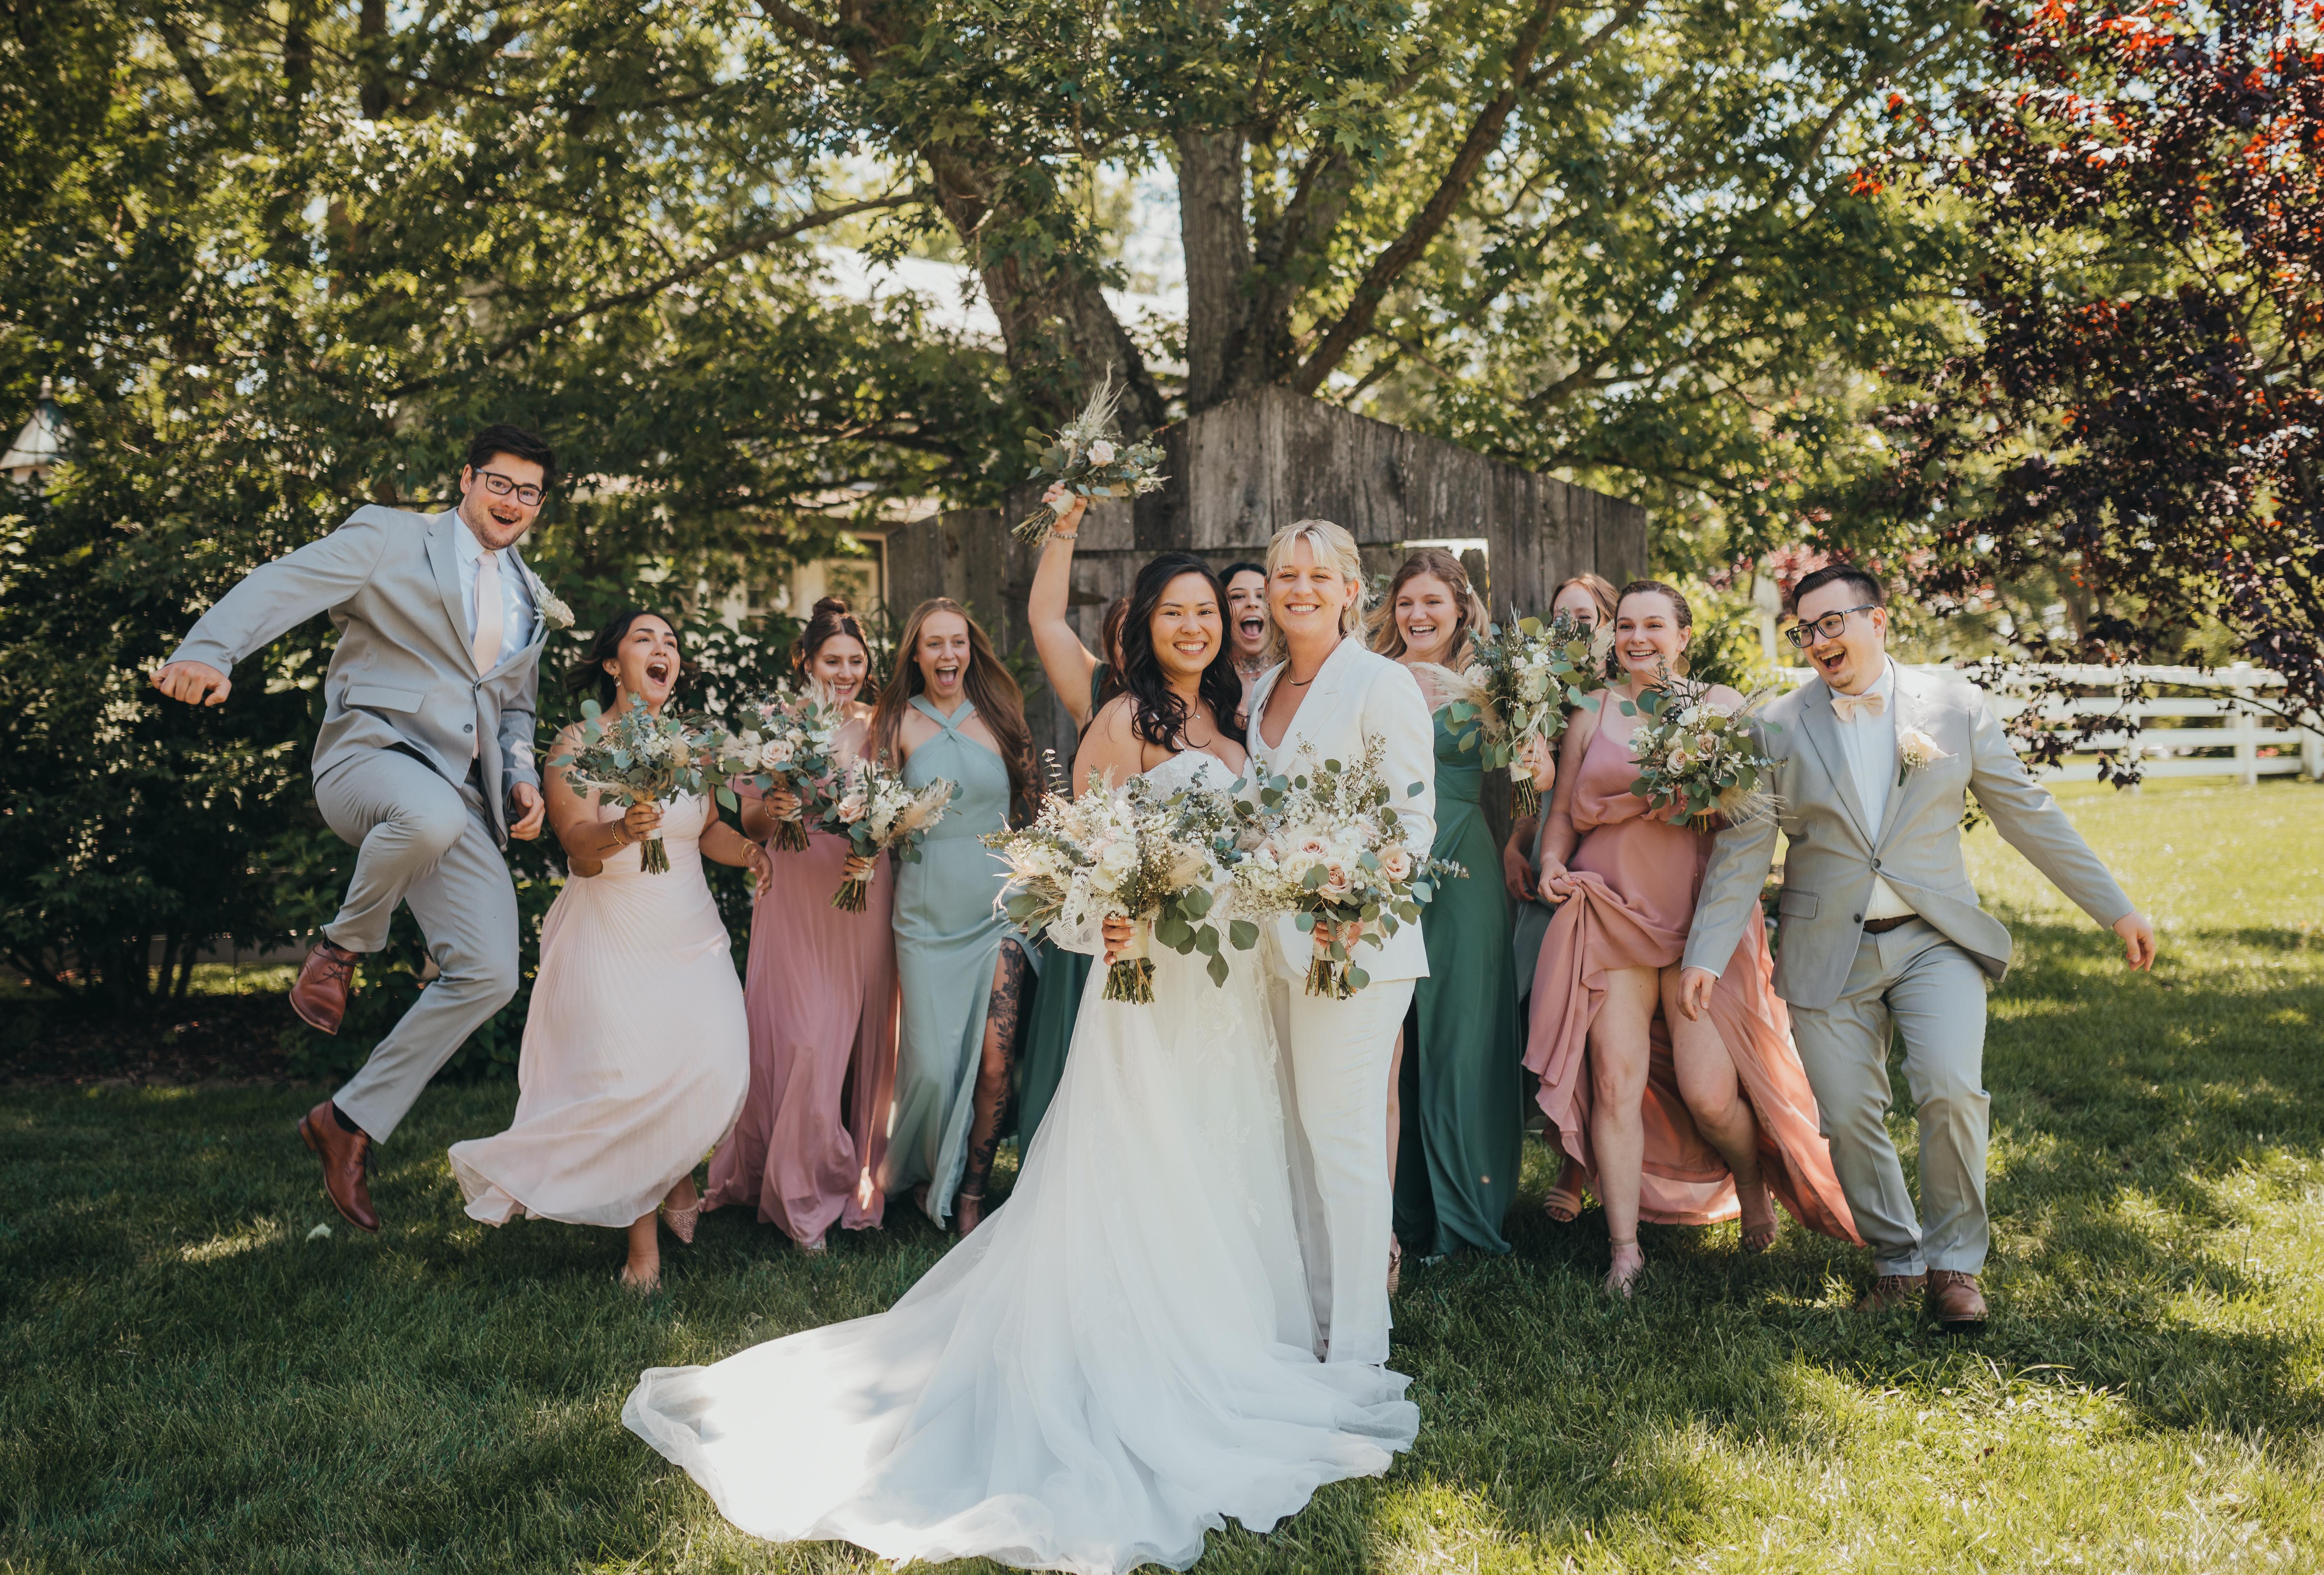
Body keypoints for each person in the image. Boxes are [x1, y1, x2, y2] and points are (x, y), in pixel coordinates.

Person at [621, 553, 1416, 1571]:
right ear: (1145, 625)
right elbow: (1073, 866)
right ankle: (1145, 1344)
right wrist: (1110, 920)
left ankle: (1245, 1329)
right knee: (1152, 1158)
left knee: (1229, 1153)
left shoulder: (1243, 713)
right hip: (1148, 990)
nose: (1194, 626)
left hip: (1233, 987)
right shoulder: (1122, 719)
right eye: (1174, 612)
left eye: (1206, 611)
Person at [1679, 564, 2156, 1332]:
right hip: (1824, 945)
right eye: (1805, 629)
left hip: (1937, 938)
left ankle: (1955, 1264)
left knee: (1949, 1087)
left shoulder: (1954, 708)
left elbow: (2026, 812)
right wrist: (1704, 954)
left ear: (1878, 621)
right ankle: (1897, 1259)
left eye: (1832, 622)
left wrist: (2115, 908)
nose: (1818, 640)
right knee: (1847, 1115)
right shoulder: (1773, 726)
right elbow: (1743, 851)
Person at [151, 425, 559, 1234]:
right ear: (466, 478)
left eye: (528, 491)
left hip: (459, 797)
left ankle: (347, 1121)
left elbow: (514, 706)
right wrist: (210, 651)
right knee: (428, 813)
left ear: (539, 505)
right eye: (499, 482)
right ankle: (339, 950)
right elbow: (284, 581)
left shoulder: (526, 593)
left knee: (489, 973)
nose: (511, 501)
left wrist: (518, 775)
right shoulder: (391, 536)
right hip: (370, 759)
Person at [1528, 581, 1860, 1294]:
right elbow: (1560, 811)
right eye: (1625, 626)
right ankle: (1624, 1248)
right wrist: (1552, 861)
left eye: (1654, 625)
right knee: (1614, 1080)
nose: (1637, 638)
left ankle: (1749, 1180)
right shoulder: (1591, 710)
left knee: (1709, 1094)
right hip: (1611, 910)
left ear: (1683, 636)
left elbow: (1753, 816)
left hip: (1697, 923)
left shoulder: (1720, 707)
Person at [448, 610, 761, 1290]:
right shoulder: (577, 742)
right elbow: (578, 851)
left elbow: (706, 828)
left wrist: (750, 853)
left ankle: (676, 1169)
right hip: (613, 930)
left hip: (692, 931)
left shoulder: (694, 743)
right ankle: (642, 1251)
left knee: (721, 1062)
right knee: (630, 1081)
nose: (662, 649)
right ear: (614, 665)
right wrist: (623, 829)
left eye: (671, 642)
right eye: (645, 639)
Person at [1245, 519, 1436, 1366]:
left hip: (1356, 945)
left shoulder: (1380, 682)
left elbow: (1413, 820)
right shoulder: (1260, 689)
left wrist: (1357, 897)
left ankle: (1359, 1344)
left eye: (1319, 576)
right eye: (1286, 575)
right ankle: (1315, 1316)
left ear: (1352, 590)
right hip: (1273, 944)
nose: (1300, 589)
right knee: (1295, 1135)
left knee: (1342, 1135)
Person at [702, 598, 900, 1253]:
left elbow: (901, 809)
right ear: (807, 662)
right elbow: (751, 822)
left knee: (854, 1041)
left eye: (855, 661)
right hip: (793, 888)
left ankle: (852, 1176)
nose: (845, 673)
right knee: (804, 1040)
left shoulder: (883, 727)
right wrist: (779, 808)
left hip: (860, 890)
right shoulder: (775, 726)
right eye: (832, 661)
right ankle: (796, 1188)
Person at [1369, 550, 1531, 1272]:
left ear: (1461, 608)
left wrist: (1530, 772)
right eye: (1406, 603)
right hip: (1387, 872)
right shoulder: (1371, 678)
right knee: (1391, 1036)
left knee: (1462, 1038)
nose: (1418, 615)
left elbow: (1531, 780)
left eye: (1432, 602)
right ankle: (1400, 1210)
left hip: (1465, 868)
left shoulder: (1491, 684)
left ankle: (1467, 1215)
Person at [871, 599, 1041, 1237]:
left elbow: (1035, 806)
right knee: (932, 1068)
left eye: (958, 642)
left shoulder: (1002, 716)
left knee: (996, 1065)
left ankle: (971, 1189)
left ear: (972, 651)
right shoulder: (894, 722)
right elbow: (876, 819)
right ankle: (918, 1171)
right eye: (934, 644)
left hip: (1000, 910)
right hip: (924, 915)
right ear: (916, 655)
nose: (948, 654)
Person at [1013, 498, 1123, 1161]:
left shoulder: (1212, 702)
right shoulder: (1097, 692)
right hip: (1095, 908)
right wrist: (1065, 525)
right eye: (1126, 631)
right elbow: (1046, 620)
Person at [1507, 573, 1619, 1006]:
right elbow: (1530, 797)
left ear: (1611, 627)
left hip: (1609, 872)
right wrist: (1516, 845)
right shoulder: (1538, 699)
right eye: (1559, 618)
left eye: (1584, 617)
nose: (1570, 628)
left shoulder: (1626, 703)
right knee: (1535, 996)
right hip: (1547, 869)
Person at [1218, 560, 1276, 685]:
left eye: (1261, 596)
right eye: (1238, 596)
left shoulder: (1297, 670)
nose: (1252, 603)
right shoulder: (1206, 680)